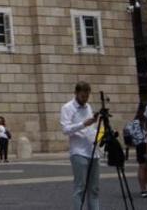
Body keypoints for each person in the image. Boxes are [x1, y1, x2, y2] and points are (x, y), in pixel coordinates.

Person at [61, 81, 101, 210]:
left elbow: (91, 128)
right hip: (78, 152)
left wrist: (98, 137)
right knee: (80, 188)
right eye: (83, 96)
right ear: (76, 93)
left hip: (93, 151)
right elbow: (65, 129)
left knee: (94, 189)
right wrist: (83, 124)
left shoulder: (88, 107)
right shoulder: (67, 108)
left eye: (87, 96)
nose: (85, 99)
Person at [124, 103, 147, 198]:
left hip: (139, 145)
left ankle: (144, 189)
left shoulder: (135, 121)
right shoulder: (144, 121)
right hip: (145, 144)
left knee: (142, 167)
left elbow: (127, 131)